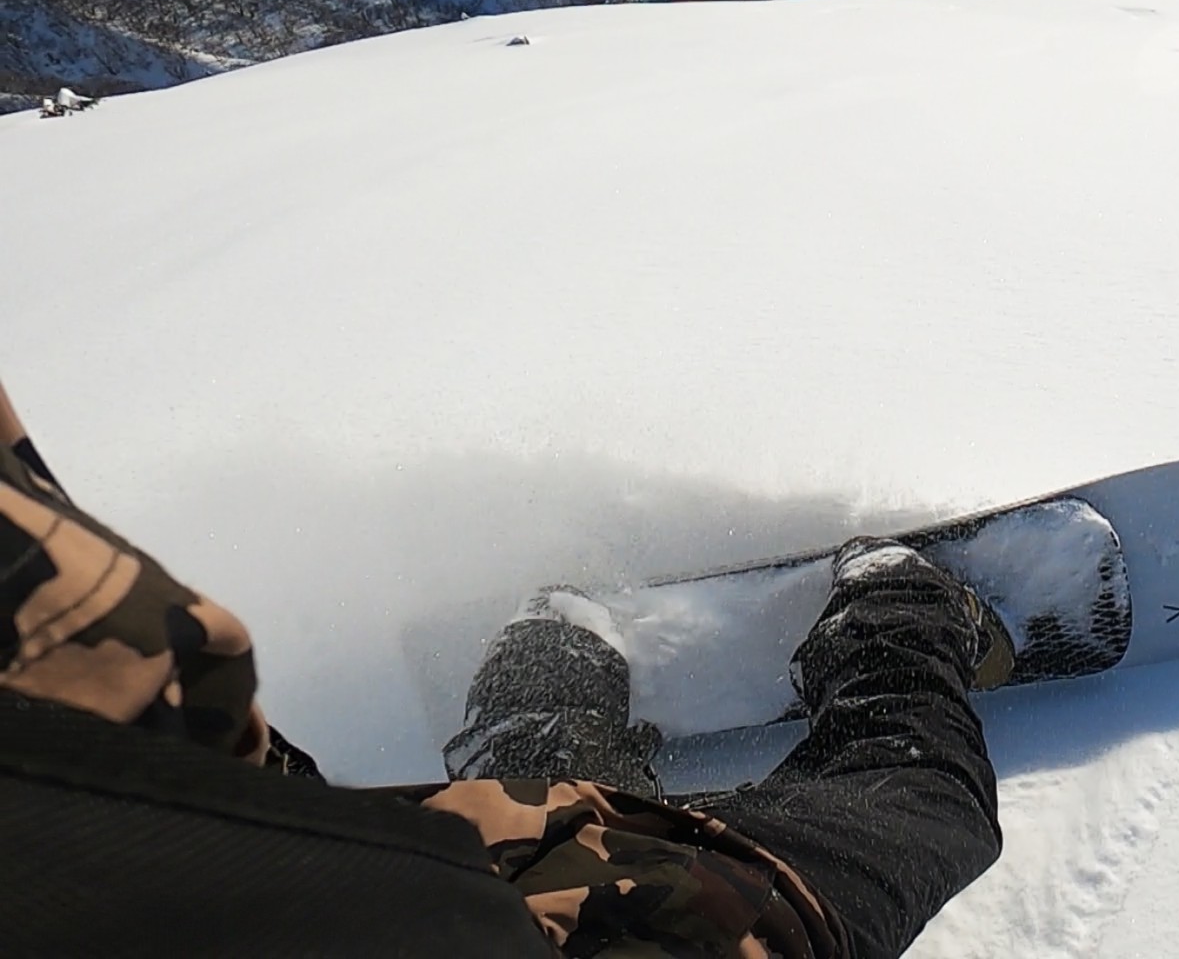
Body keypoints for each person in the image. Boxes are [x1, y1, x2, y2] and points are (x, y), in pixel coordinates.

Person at [0, 377, 1010, 958]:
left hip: (513, 909)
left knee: (915, 797)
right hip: (419, 877)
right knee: (916, 800)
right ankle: (556, 651)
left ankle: (888, 607)